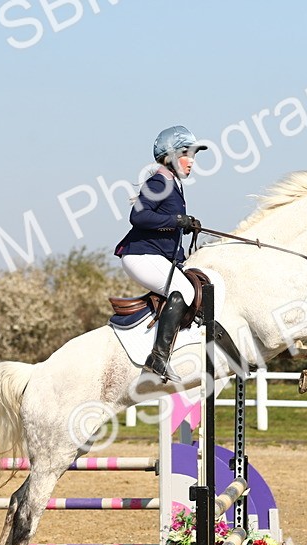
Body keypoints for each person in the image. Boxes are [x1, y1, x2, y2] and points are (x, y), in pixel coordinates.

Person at [114, 125, 207, 382]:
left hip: (153, 255)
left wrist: (185, 225)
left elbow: (162, 223)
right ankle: (158, 358)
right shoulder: (160, 180)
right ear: (172, 156)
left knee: (189, 285)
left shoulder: (173, 183)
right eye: (188, 154)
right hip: (140, 256)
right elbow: (139, 216)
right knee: (185, 292)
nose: (192, 162)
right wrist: (178, 220)